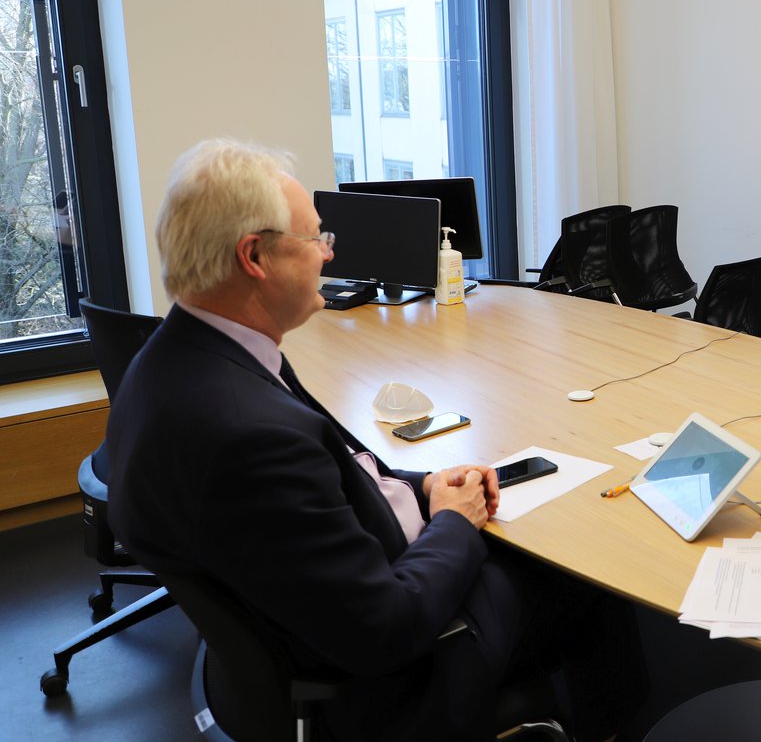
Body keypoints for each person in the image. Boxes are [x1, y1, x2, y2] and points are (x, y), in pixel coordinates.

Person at [105, 139, 643, 741]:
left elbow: (342, 472)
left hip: (319, 606)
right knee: (588, 574)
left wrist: (423, 486)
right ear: (254, 256)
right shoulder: (248, 435)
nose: (328, 257)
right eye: (315, 240)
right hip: (403, 671)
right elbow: (387, 630)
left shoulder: (185, 359)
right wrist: (454, 523)